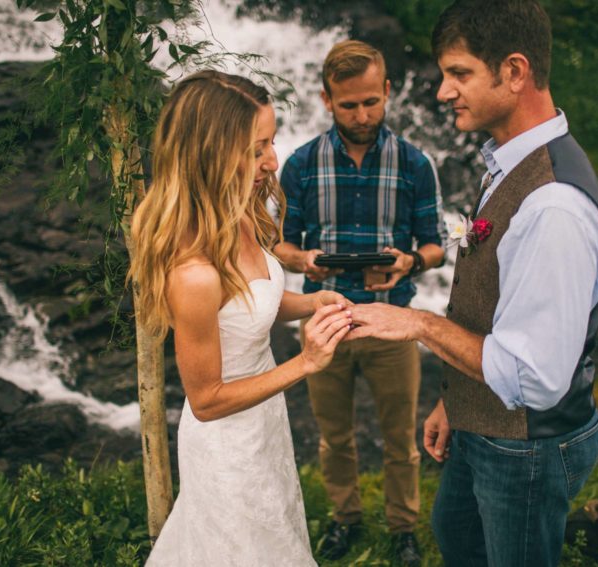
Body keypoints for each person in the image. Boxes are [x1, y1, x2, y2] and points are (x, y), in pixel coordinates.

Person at [347, 2, 598, 565]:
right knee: (456, 535)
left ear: (514, 72)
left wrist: (418, 323)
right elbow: (497, 312)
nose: (444, 92)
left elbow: (535, 379)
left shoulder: (554, 209)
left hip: (526, 448)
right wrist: (457, 403)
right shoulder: (510, 162)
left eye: (459, 74)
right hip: (483, 425)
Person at [129, 70, 353, 567]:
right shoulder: (193, 273)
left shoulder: (242, 213)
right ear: (210, 152)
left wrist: (313, 303)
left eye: (270, 142)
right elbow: (206, 401)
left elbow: (251, 307)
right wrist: (306, 363)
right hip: (224, 443)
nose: (272, 161)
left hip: (263, 420)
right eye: (256, 150)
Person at [273, 40, 446, 565]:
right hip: (323, 321)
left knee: (401, 440)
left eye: (372, 101)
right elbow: (278, 243)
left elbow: (435, 244)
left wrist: (408, 262)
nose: (363, 114)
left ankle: (403, 529)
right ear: (327, 100)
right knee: (335, 438)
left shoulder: (415, 164)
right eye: (349, 105)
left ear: (388, 91)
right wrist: (304, 261)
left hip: (392, 323)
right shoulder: (300, 165)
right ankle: (345, 520)